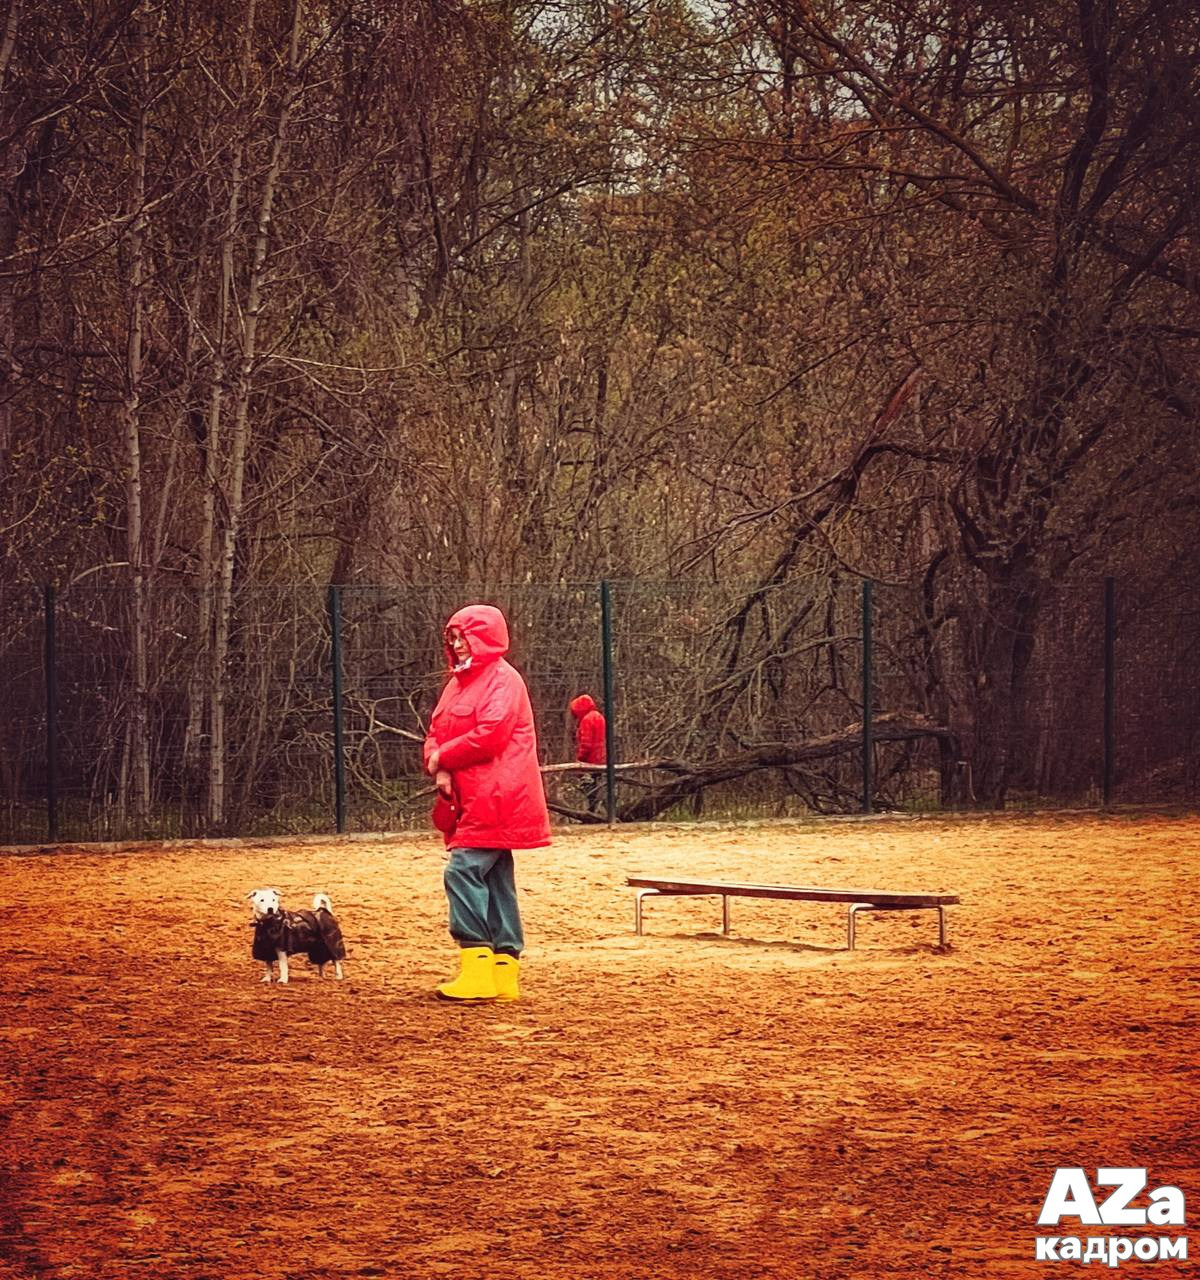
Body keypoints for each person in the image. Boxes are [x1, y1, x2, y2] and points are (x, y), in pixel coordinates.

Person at [424, 604, 551, 1002]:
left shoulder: (503, 680)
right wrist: (438, 763)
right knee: (496, 880)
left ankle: (477, 963)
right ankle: (502, 972)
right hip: (474, 795)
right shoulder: (458, 683)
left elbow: (490, 735)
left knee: (462, 871)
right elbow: (436, 731)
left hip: (498, 794)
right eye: (454, 639)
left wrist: (443, 758)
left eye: (464, 637)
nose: (459, 645)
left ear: (484, 638)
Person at [569, 693, 607, 814]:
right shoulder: (599, 716)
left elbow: (586, 744)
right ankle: (598, 809)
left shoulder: (586, 720)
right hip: (601, 758)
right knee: (597, 785)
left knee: (588, 787)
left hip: (590, 760)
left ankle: (592, 811)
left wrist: (580, 759)